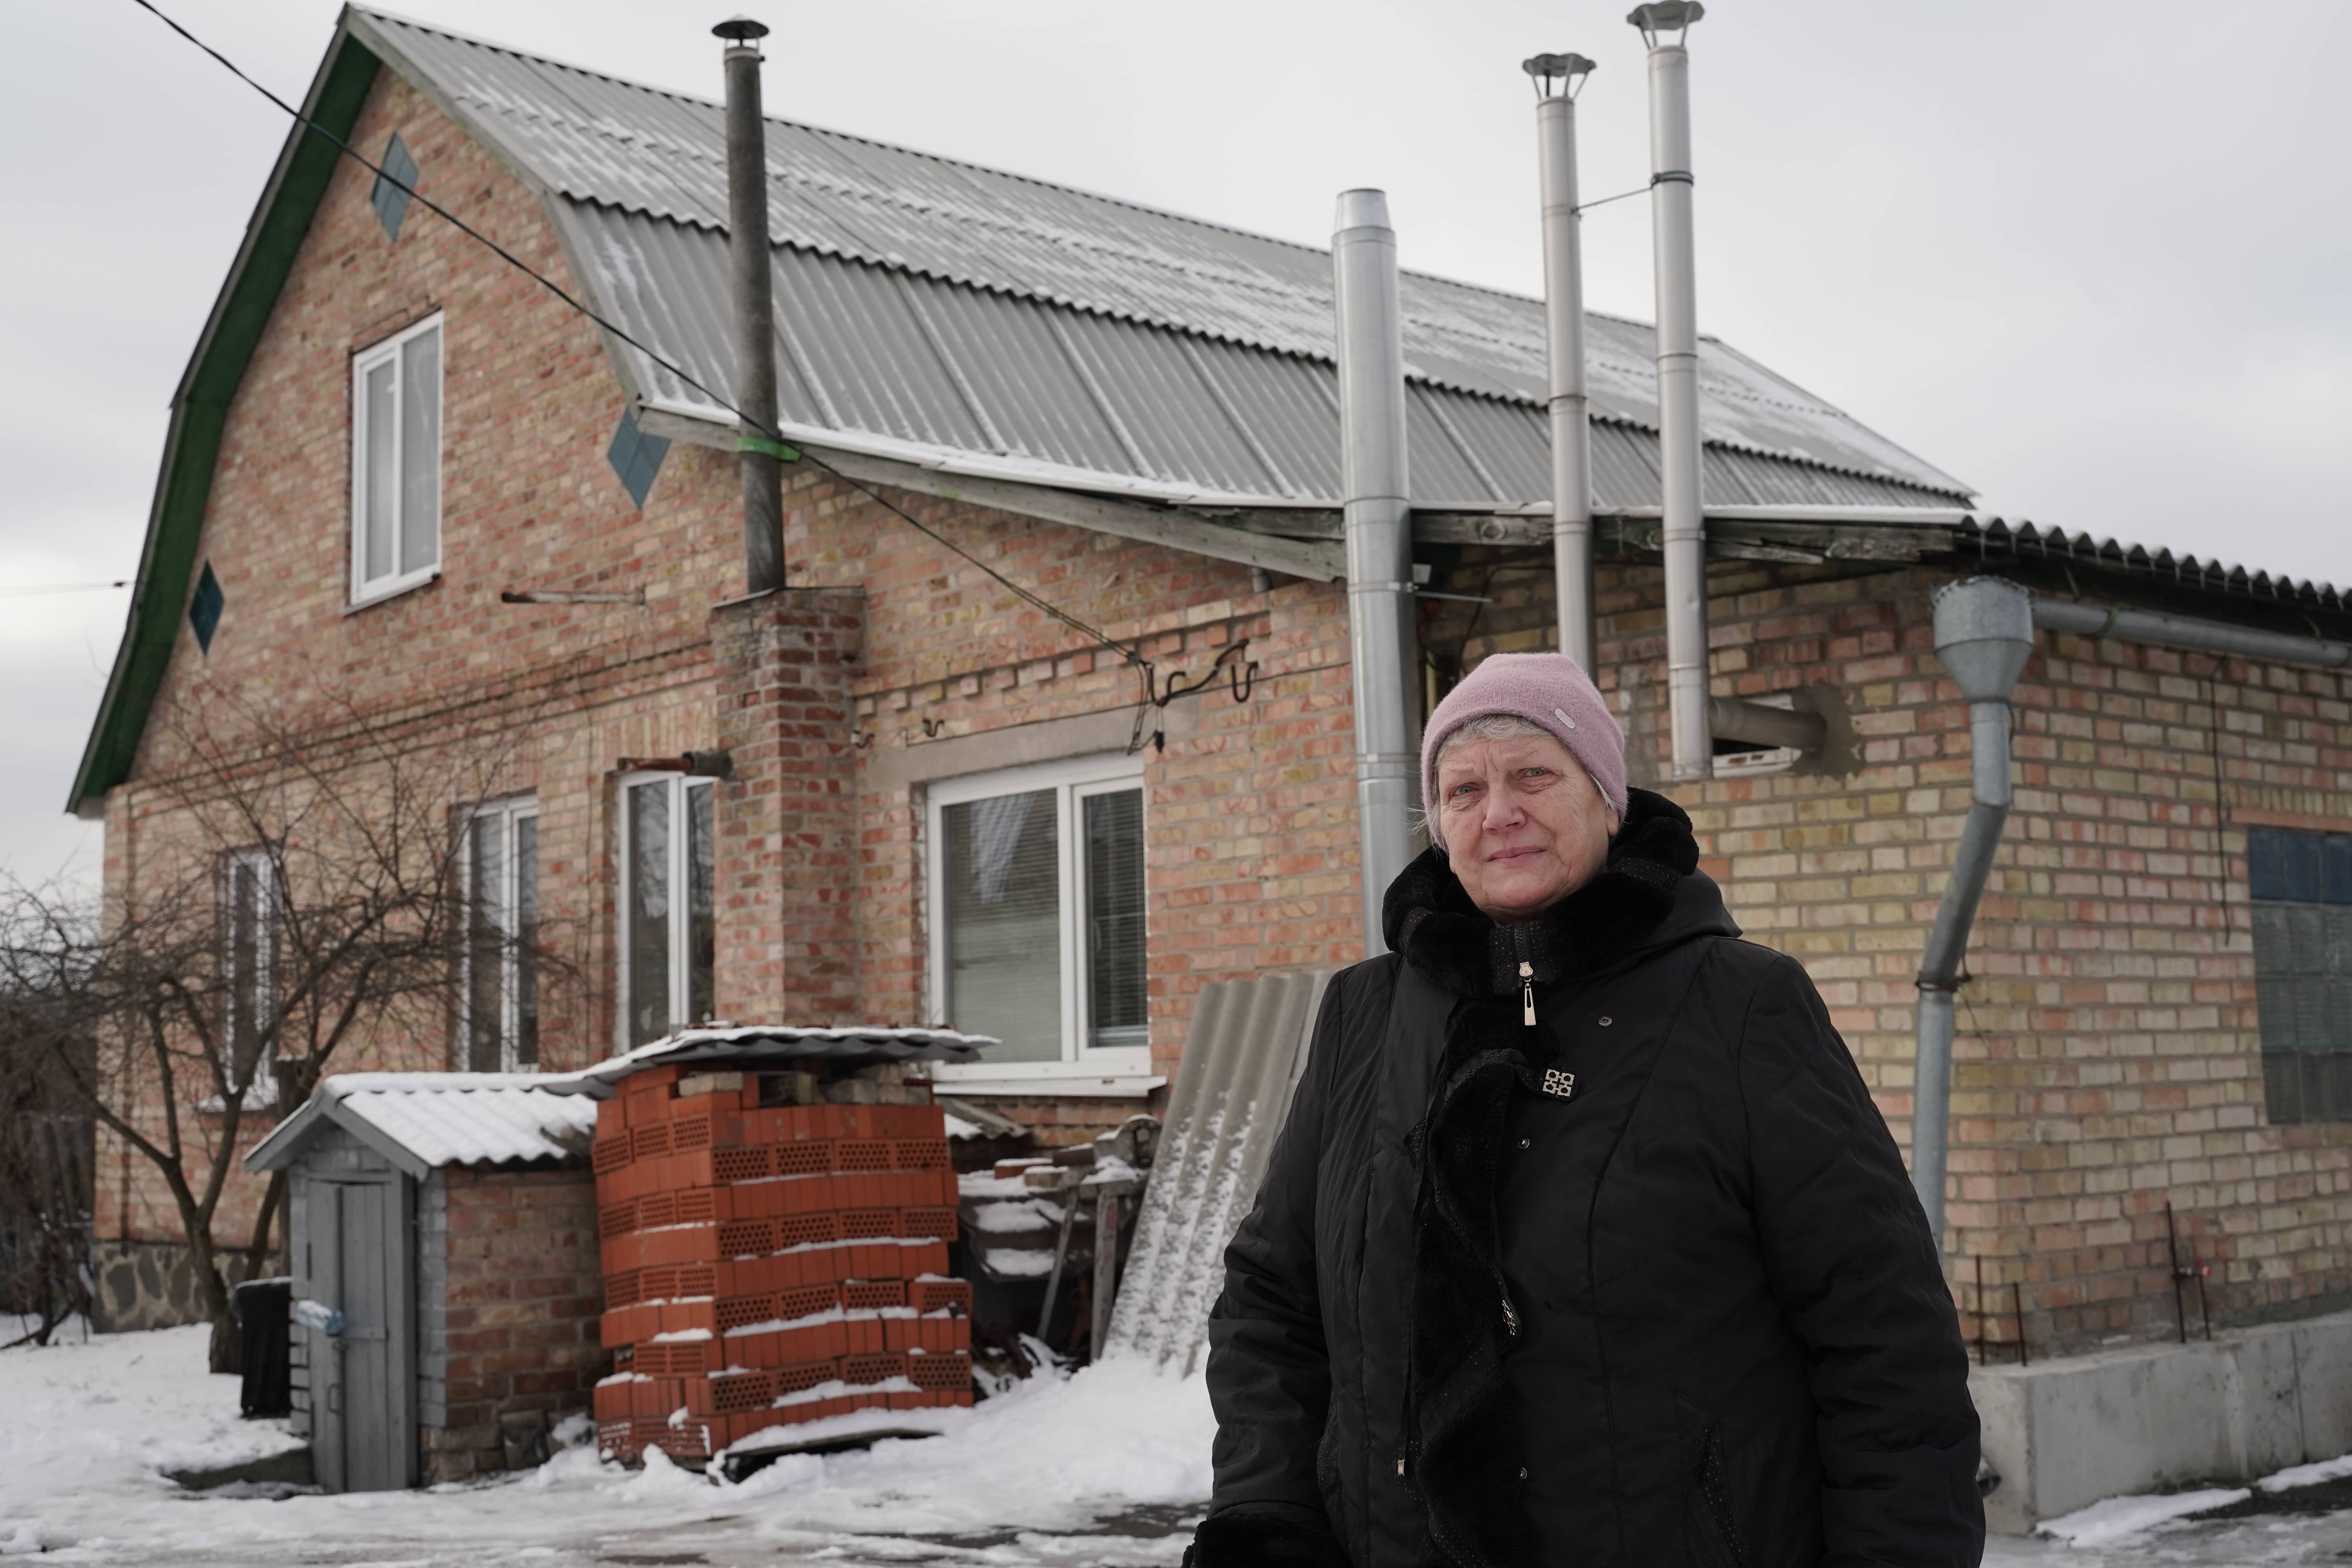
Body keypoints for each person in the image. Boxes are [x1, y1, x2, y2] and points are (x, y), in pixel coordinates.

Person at [1188, 653, 1983, 1568]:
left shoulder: (1739, 1004)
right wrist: (1267, 1517)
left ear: (1607, 799)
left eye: (1534, 773)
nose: (1499, 811)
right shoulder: (1363, 1016)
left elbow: (1881, 1329)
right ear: (1440, 827)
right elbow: (1271, 1300)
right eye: (1464, 788)